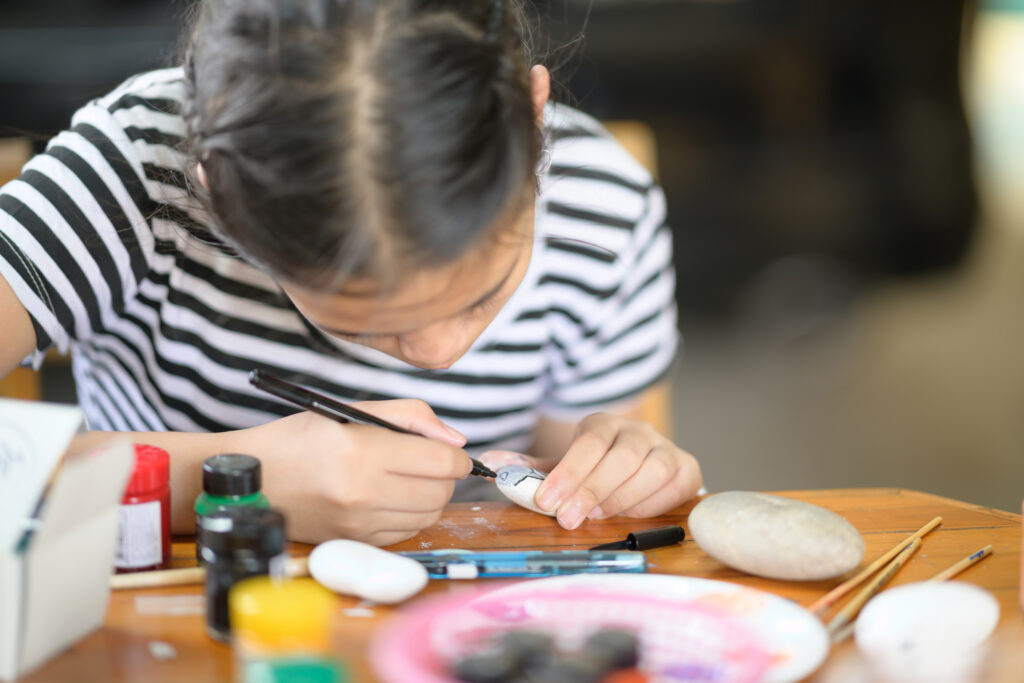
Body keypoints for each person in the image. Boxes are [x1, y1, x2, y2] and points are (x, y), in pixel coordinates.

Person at [0, 0, 701, 546]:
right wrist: (228, 481)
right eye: (368, 323)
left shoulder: (603, 208)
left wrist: (615, 469)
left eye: (482, 294)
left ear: (533, 114)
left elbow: (565, 484)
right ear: (219, 199)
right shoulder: (136, 172)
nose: (439, 353)